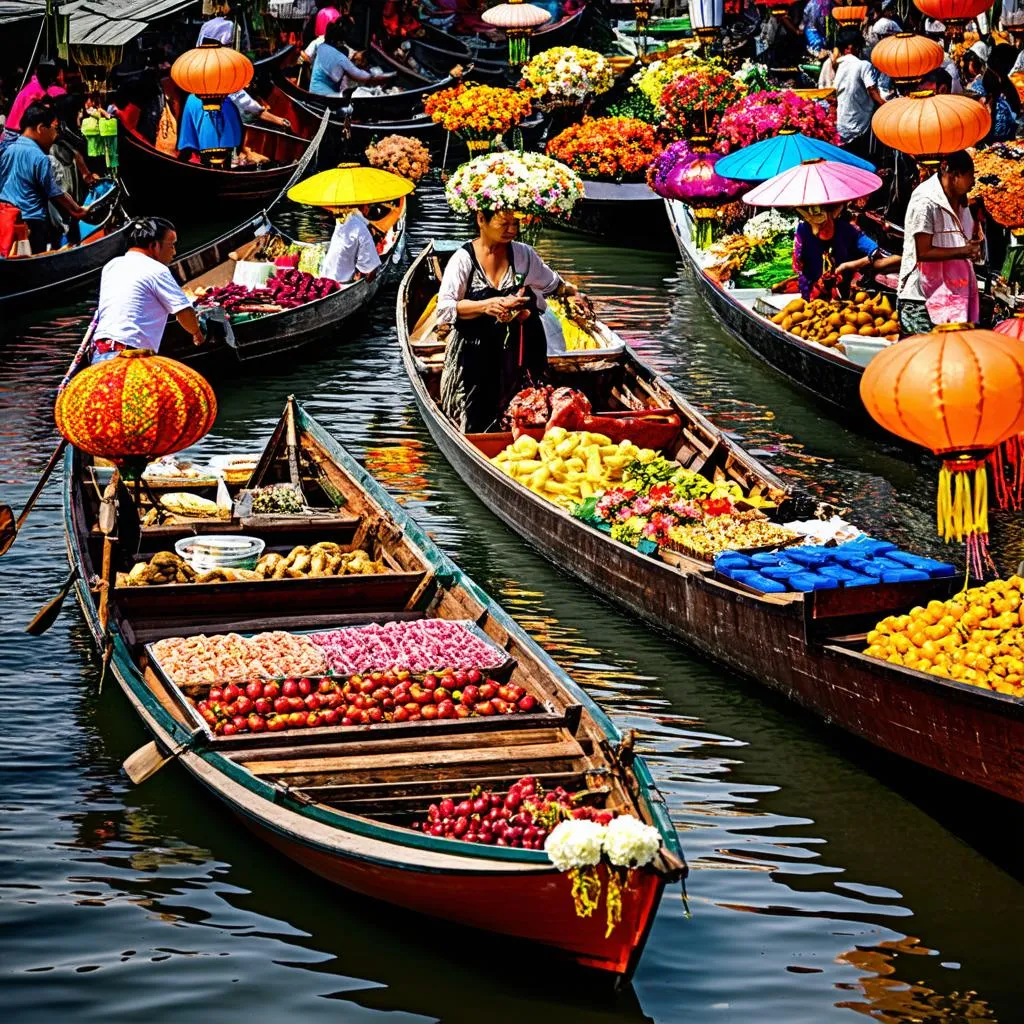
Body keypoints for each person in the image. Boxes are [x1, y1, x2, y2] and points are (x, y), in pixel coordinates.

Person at [435, 208, 583, 432]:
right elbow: (446, 309)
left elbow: (553, 284)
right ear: (481, 219)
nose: (512, 230)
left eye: (516, 224)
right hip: (475, 354)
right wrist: (487, 306)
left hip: (521, 351)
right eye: (504, 224)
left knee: (528, 408)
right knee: (478, 416)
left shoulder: (524, 255)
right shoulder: (463, 259)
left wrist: (573, 294)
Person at [91, 217, 204, 360]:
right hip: (130, 354)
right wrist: (196, 332)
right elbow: (184, 311)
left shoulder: (111, 266)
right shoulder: (156, 269)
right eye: (172, 245)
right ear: (154, 246)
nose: (174, 252)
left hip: (100, 351)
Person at [897, 150, 982, 334]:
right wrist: (963, 251)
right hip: (920, 300)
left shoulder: (960, 201)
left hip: (951, 298)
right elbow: (923, 252)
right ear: (954, 175)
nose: (973, 182)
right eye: (970, 176)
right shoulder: (925, 202)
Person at [0, 101, 86, 254]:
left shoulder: (8, 150)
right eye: (54, 129)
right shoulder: (39, 157)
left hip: (6, 219)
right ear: (41, 128)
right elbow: (54, 192)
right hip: (32, 223)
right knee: (33, 265)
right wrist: (76, 211)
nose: (56, 135)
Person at [792, 204, 898, 300]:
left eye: (825, 223)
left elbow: (874, 252)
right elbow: (799, 267)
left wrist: (847, 265)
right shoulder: (802, 232)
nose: (822, 227)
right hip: (813, 293)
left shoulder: (846, 229)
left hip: (844, 293)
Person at [833, 28, 886, 160]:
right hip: (859, 125)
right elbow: (872, 89)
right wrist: (886, 107)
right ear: (853, 47)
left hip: (841, 124)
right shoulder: (863, 65)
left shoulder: (837, 66)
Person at [310, 20, 393, 96]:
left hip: (313, 90)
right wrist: (380, 75)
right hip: (325, 95)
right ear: (340, 42)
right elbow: (359, 75)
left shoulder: (322, 47)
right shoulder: (339, 57)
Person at [1, 59, 66, 151]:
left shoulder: (39, 88)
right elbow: (32, 121)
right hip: (15, 134)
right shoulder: (34, 91)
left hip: (18, 133)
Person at [320, 203, 381, 283]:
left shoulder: (341, 220)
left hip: (325, 275)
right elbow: (369, 269)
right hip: (343, 280)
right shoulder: (360, 228)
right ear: (365, 207)